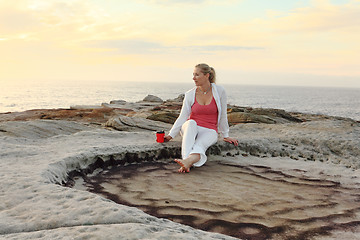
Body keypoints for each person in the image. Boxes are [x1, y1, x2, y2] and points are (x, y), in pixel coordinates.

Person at [164, 63, 239, 173]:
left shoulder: (219, 91)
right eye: (193, 75)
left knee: (200, 145)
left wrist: (225, 135)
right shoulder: (190, 94)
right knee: (191, 123)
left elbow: (223, 114)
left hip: (210, 129)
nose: (193, 78)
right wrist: (171, 135)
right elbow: (183, 116)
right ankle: (186, 160)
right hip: (191, 128)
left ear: (207, 75)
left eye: (197, 75)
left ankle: (187, 162)